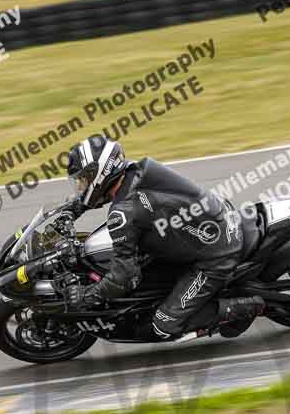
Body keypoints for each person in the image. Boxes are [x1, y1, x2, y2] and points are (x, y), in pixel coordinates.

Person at [61, 134, 265, 340]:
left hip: (217, 254)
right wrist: (74, 208)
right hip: (215, 221)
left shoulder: (123, 213)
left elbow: (123, 278)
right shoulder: (137, 170)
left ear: (100, 173)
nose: (81, 186)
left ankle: (245, 308)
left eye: (84, 180)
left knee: (164, 325)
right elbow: (101, 192)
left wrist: (88, 295)